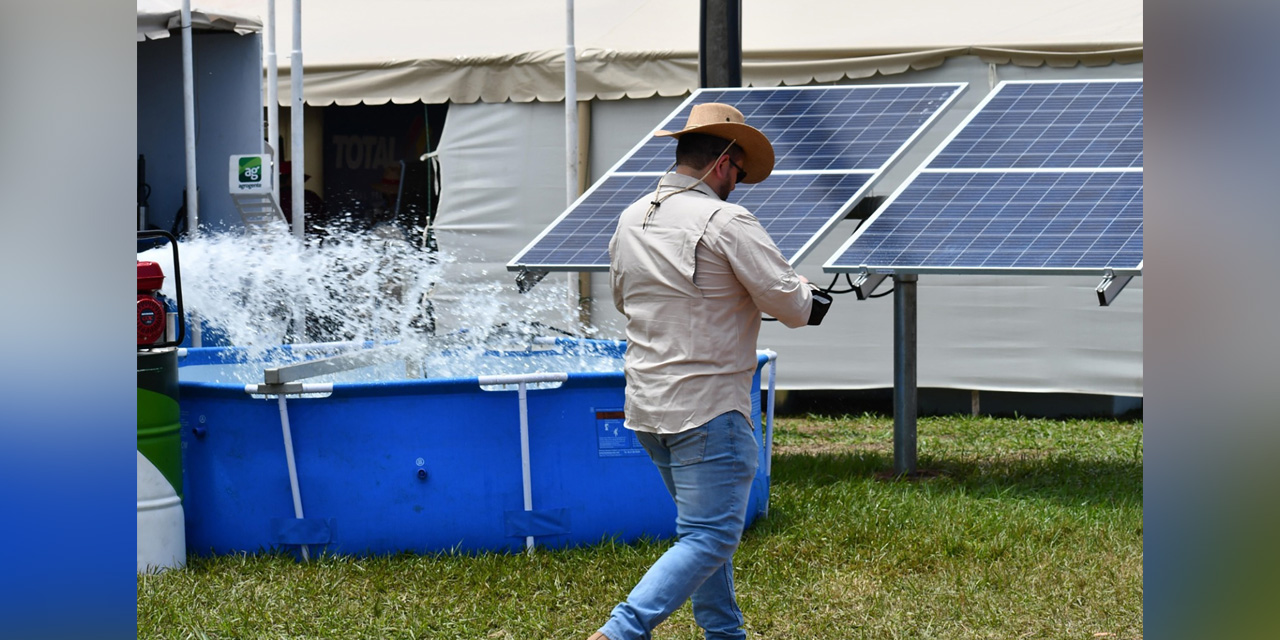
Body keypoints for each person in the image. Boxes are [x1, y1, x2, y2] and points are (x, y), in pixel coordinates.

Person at [592, 103, 831, 640]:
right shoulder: (725, 220)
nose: (739, 185)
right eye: (740, 174)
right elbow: (793, 306)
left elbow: (624, 297)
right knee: (709, 537)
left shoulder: (631, 218)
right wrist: (817, 299)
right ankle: (619, 633)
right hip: (709, 408)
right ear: (724, 162)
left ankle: (725, 634)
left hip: (649, 408)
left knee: (703, 537)